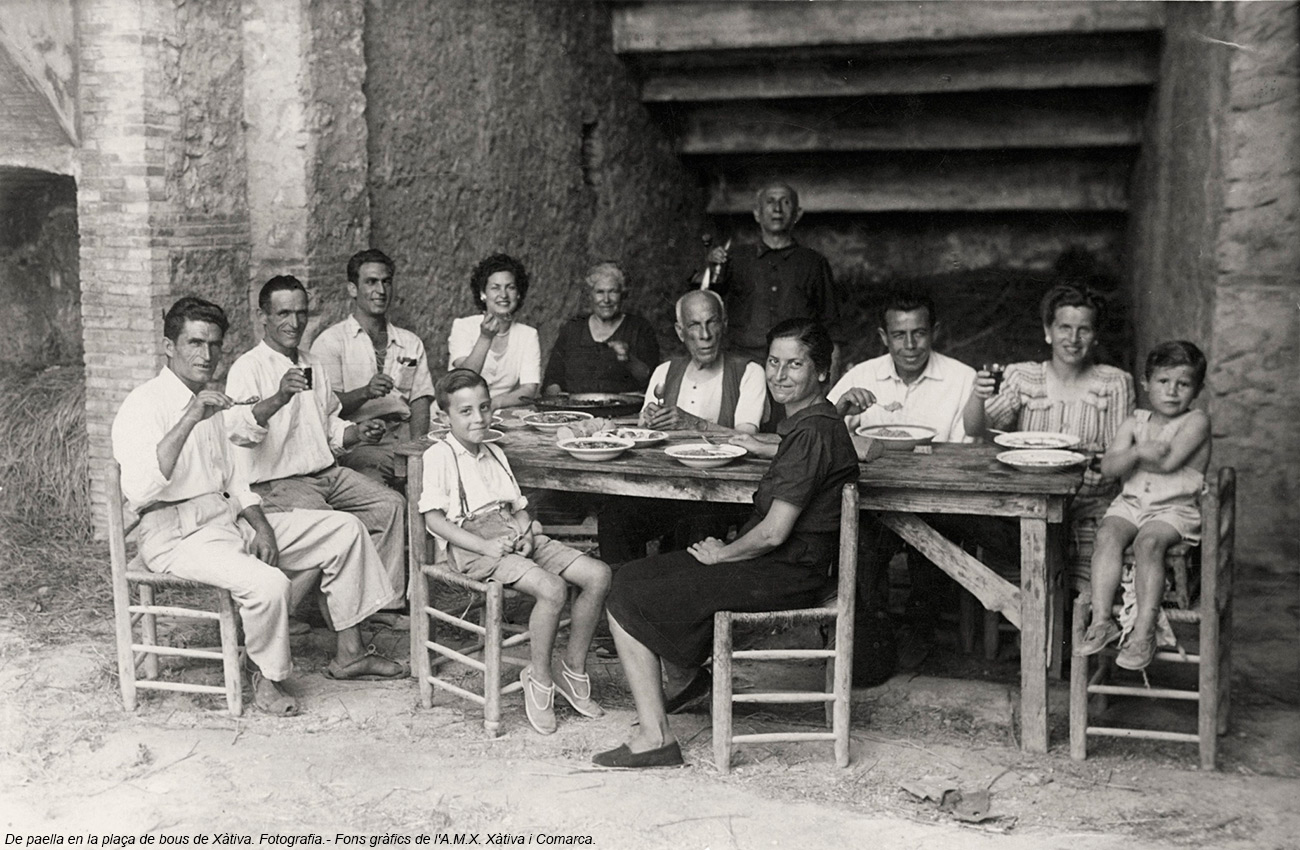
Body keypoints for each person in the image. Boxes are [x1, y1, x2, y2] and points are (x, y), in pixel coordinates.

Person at [113, 298, 404, 717]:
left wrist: (261, 525)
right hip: (175, 533)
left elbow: (236, 479)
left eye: (214, 344)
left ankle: (350, 654)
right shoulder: (143, 404)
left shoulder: (211, 399)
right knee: (269, 585)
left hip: (226, 519)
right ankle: (266, 677)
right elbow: (139, 491)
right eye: (195, 343)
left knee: (345, 530)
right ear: (169, 347)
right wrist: (190, 417)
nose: (206, 354)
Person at [593, 319, 858, 768]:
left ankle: (656, 737)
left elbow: (773, 532)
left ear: (821, 371)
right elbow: (791, 459)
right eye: (773, 362)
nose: (779, 375)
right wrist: (758, 448)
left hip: (784, 573)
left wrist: (723, 554)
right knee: (633, 575)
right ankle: (688, 678)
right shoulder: (815, 423)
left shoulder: (812, 433)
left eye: (794, 365)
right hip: (786, 566)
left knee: (626, 594)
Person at [418, 369, 612, 734]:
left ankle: (572, 670)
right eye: (465, 411)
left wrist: (525, 534)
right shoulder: (439, 456)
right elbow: (435, 521)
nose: (479, 418)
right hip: (472, 545)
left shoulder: (495, 452)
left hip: (511, 533)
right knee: (552, 588)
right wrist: (485, 546)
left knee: (598, 575)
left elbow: (518, 508)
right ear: (445, 416)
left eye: (484, 407)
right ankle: (539, 678)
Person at [224, 276, 408, 621]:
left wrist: (356, 432)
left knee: (390, 505)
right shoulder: (248, 368)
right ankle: (319, 615)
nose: (294, 323)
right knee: (335, 526)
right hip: (278, 485)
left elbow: (327, 424)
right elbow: (237, 431)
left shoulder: (311, 363)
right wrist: (279, 397)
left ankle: (382, 606)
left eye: (300, 313)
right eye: (283, 313)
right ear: (263, 317)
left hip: (326, 474)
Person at [597, 289, 765, 565]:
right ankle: (623, 587)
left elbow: (748, 439)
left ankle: (672, 590)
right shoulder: (664, 372)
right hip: (666, 491)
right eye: (694, 325)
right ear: (680, 332)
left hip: (719, 496)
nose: (705, 334)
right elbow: (643, 437)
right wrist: (648, 424)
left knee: (697, 528)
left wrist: (693, 423)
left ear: (724, 324)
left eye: (712, 322)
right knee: (614, 517)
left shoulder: (748, 372)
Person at [985, 283, 1136, 587]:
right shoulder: (1022, 376)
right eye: (1064, 327)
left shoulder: (1115, 383)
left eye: (1084, 329)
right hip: (1028, 503)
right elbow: (985, 427)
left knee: (1085, 588)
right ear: (1048, 331)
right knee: (1018, 584)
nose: (1073, 338)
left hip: (1090, 507)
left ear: (1095, 335)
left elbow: (1115, 459)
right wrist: (979, 397)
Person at [1077, 341, 1211, 671]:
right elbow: (1108, 468)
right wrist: (1136, 452)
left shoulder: (1196, 422)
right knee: (1107, 534)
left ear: (1197, 389)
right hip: (1131, 503)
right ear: (1146, 383)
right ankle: (1102, 620)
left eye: (1183, 384)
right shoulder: (1133, 422)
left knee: (1148, 543)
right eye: (1163, 381)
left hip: (1173, 510)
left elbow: (1167, 462)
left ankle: (1143, 633)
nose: (1172, 391)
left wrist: (1128, 456)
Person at [311, 249, 436, 488]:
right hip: (362, 442)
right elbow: (325, 406)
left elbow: (420, 401)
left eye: (386, 282)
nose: (380, 290)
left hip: (406, 436)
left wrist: (418, 449)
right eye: (371, 282)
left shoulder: (410, 342)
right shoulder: (331, 342)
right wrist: (365, 392)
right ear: (352, 289)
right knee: (380, 491)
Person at [701, 183, 843, 366]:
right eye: (770, 202)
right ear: (757, 213)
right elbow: (704, 307)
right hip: (741, 363)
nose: (777, 209)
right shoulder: (734, 258)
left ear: (797, 214)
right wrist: (710, 268)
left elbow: (831, 327)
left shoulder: (814, 263)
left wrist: (830, 375)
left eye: (785, 202)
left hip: (795, 364)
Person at [542, 261, 659, 396]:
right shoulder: (573, 329)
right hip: (576, 407)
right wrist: (558, 398)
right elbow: (552, 379)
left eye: (613, 292)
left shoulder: (639, 328)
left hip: (624, 407)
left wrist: (629, 360)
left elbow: (653, 379)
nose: (606, 300)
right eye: (600, 292)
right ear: (590, 295)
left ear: (623, 294)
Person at [448, 253, 540, 410]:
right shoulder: (463, 326)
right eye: (495, 287)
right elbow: (464, 380)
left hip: (501, 412)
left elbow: (529, 389)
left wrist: (494, 404)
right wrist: (485, 337)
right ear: (483, 294)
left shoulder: (528, 335)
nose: (503, 295)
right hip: (460, 410)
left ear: (518, 294)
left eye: (510, 287)